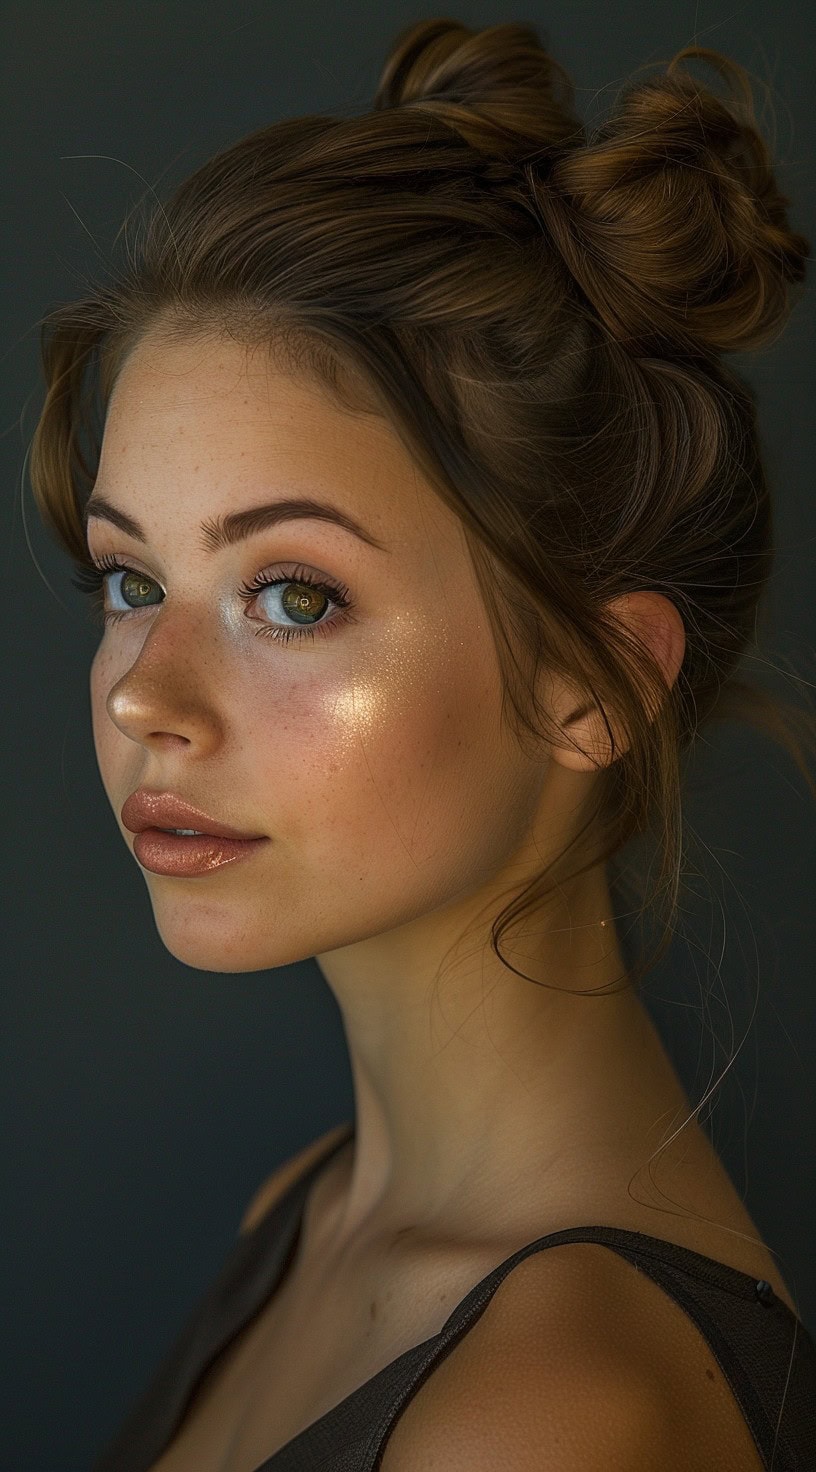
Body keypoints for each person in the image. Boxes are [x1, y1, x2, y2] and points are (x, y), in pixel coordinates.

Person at [30, 16, 816, 1471]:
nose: (146, 693)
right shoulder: (308, 1213)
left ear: (594, 681)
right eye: (134, 583)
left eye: (295, 595)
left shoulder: (558, 1416)